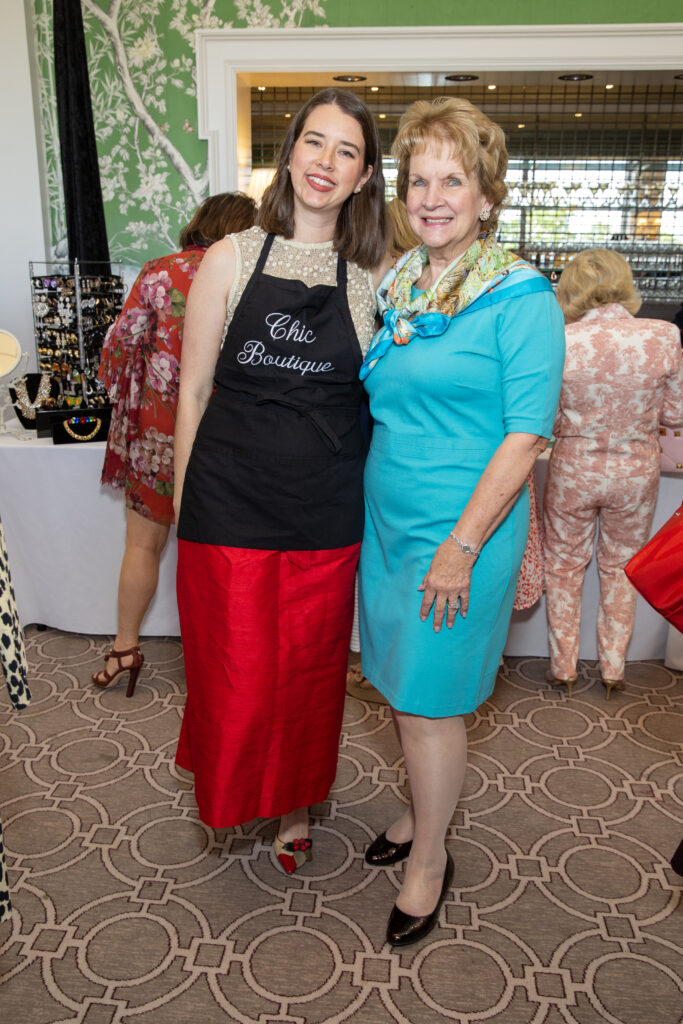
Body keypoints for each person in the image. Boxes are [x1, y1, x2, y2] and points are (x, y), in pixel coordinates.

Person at [358, 96, 565, 946]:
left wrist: (461, 545)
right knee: (402, 689)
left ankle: (431, 857)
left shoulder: (521, 299)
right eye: (418, 180)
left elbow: (525, 437)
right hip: (388, 520)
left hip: (462, 531)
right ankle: (420, 811)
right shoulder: (402, 282)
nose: (431, 196)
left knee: (431, 700)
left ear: (487, 196)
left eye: (454, 180)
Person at [173, 89, 388, 873]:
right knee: (234, 669)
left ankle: (294, 804)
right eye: (314, 143)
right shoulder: (230, 257)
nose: (325, 162)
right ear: (289, 151)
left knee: (306, 669)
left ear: (365, 176)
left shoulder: (372, 280)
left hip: (325, 509)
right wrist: (186, 502)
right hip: (225, 503)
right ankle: (234, 798)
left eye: (346, 152)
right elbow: (193, 392)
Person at [92, 192, 257, 696]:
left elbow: (116, 350)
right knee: (225, 557)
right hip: (230, 433)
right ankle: (225, 664)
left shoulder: (161, 273)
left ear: (199, 223)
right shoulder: (250, 272)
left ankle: (124, 648)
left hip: (159, 433)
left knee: (142, 545)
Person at [543, 248, 683, 698]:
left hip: (572, 469)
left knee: (563, 566)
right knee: (621, 567)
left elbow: (545, 418)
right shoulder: (663, 335)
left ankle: (563, 668)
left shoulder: (559, 339)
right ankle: (613, 668)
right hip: (635, 471)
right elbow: (677, 414)